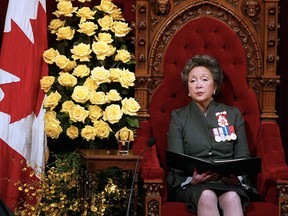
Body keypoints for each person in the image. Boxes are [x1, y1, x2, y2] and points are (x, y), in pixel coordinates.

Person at [167, 54, 258, 216]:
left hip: (228, 183)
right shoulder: (178, 116)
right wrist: (193, 180)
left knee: (232, 198)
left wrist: (237, 179)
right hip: (194, 185)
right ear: (187, 88)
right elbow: (176, 162)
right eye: (192, 81)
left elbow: (243, 156)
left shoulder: (232, 114)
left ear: (215, 86)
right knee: (207, 196)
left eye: (204, 79)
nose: (198, 85)